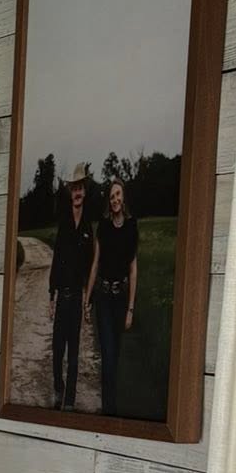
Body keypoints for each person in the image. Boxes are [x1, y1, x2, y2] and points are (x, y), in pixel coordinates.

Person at [90, 177, 138, 415]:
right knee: (108, 354)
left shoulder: (131, 226)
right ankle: (109, 409)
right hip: (104, 299)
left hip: (121, 300)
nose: (115, 199)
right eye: (111, 196)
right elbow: (95, 264)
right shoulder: (104, 226)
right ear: (109, 203)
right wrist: (87, 298)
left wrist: (130, 308)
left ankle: (110, 405)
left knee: (114, 356)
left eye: (118, 194)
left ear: (123, 197)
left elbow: (133, 269)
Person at [48, 166, 93, 410]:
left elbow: (90, 265)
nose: (77, 192)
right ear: (70, 192)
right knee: (57, 349)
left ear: (85, 192)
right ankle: (58, 387)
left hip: (76, 298)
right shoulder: (64, 222)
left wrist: (88, 299)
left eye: (80, 188)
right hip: (61, 296)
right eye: (73, 188)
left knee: (74, 353)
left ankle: (70, 401)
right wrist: (50, 296)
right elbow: (55, 260)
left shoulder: (88, 227)